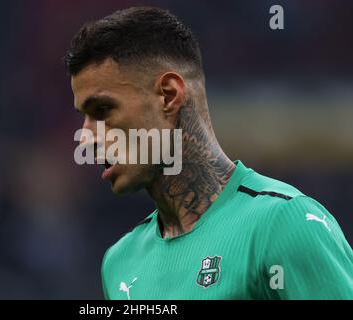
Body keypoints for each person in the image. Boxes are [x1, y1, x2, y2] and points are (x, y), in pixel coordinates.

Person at [65, 7, 353, 299]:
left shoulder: (285, 223)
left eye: (102, 110)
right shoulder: (119, 263)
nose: (86, 139)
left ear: (168, 95)